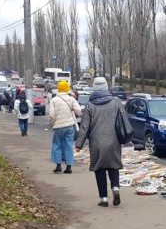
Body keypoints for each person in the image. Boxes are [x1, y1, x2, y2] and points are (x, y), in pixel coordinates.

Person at [75, 77, 127, 208]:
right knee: (114, 165)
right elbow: (124, 120)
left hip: (96, 142)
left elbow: (84, 127)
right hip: (113, 140)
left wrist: (78, 144)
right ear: (106, 87)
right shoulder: (116, 102)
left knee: (99, 169)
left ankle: (103, 199)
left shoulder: (90, 105)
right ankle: (115, 188)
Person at [49, 81, 81, 174]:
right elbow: (78, 110)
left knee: (57, 145)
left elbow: (51, 115)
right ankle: (69, 167)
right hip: (69, 126)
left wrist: (52, 123)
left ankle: (58, 166)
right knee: (68, 146)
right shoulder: (71, 99)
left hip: (58, 126)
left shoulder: (54, 100)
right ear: (67, 88)